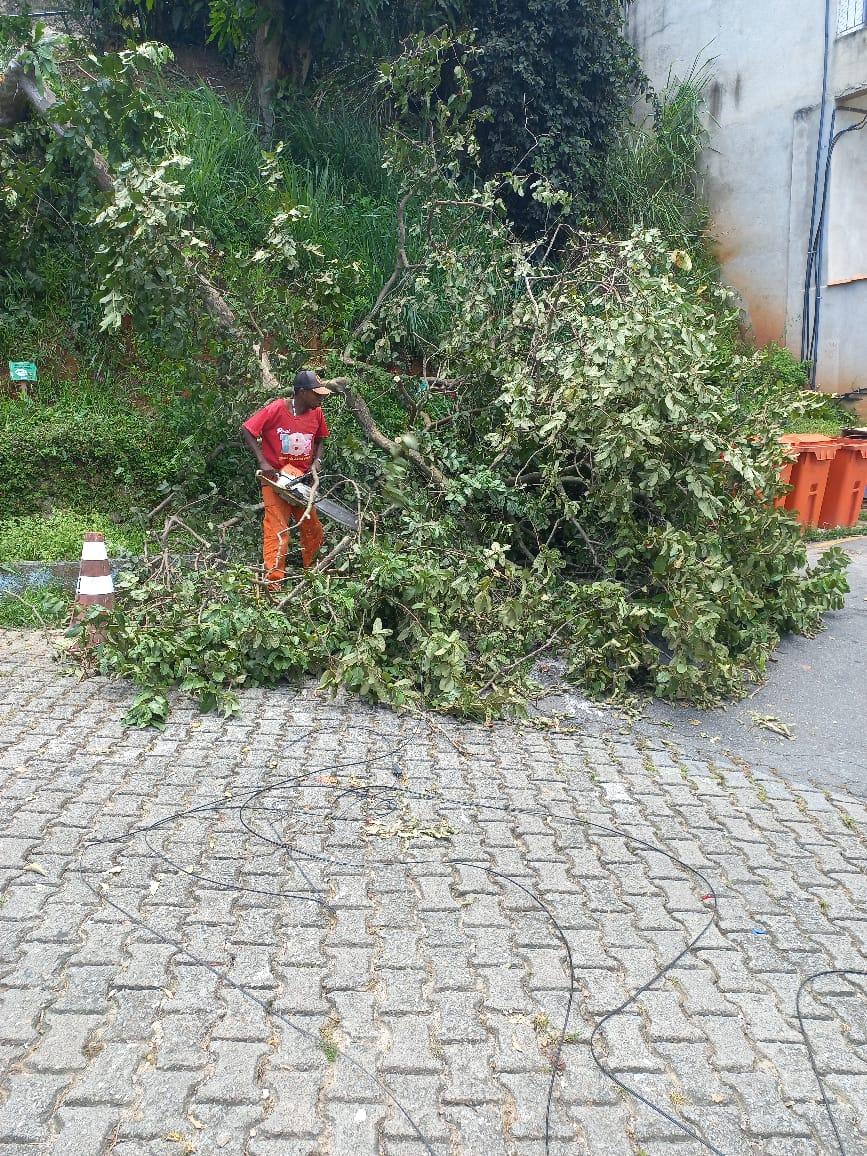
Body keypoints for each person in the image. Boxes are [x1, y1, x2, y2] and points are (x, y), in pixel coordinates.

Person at [241, 370, 332, 585]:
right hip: (276, 479)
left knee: (312, 528)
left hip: (302, 479)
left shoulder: (316, 413)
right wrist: (263, 462)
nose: (320, 399)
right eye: (316, 394)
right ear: (301, 393)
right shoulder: (277, 408)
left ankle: (314, 572)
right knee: (277, 529)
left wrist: (316, 463)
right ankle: (273, 582)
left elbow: (320, 441)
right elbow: (247, 429)